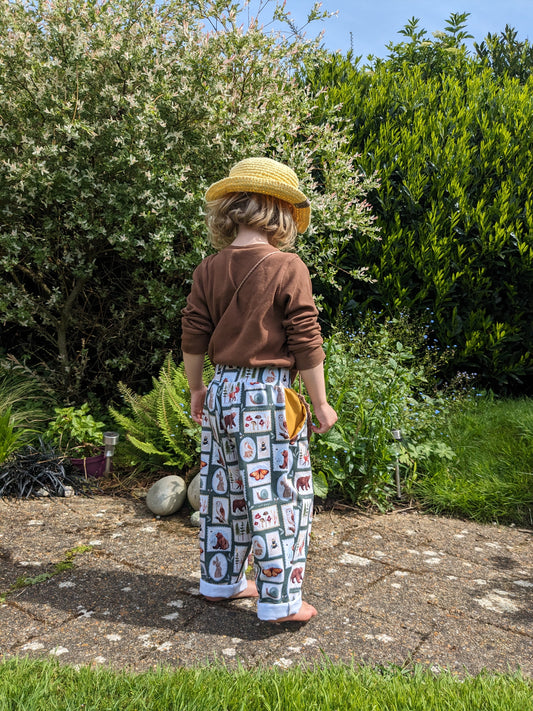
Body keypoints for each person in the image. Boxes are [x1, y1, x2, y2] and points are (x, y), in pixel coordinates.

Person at [181, 157, 337, 623]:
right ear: (280, 212)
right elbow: (305, 339)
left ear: (229, 209)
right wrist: (322, 402)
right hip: (267, 397)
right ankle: (279, 601)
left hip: (223, 390)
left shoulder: (208, 269)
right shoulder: (288, 267)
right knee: (277, 494)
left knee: (224, 491)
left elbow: (193, 333)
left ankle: (220, 581)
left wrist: (196, 390)